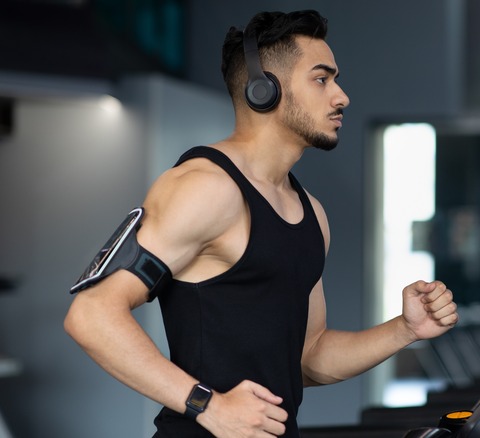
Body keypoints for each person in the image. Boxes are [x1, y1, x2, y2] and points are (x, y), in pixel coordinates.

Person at [64, 10, 458, 438]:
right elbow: (91, 314)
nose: (341, 96)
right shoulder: (204, 188)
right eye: (322, 79)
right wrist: (207, 405)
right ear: (264, 89)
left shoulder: (311, 212)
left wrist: (403, 330)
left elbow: (309, 357)